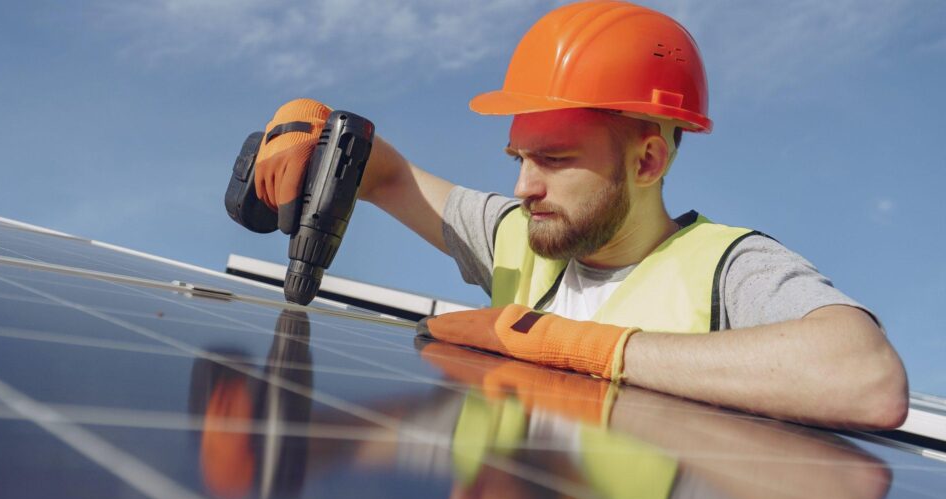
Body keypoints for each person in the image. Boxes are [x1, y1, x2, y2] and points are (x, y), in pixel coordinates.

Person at [249, 0, 908, 430]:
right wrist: (315, 124)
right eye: (518, 156)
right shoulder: (523, 238)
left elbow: (865, 377)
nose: (523, 186)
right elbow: (384, 173)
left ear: (648, 162)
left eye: (555, 159)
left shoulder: (727, 268)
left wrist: (579, 349)